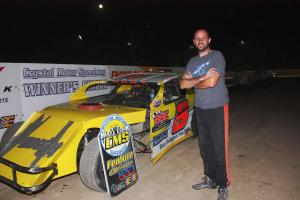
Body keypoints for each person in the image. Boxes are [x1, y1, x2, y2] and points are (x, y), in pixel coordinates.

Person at [180, 28, 230, 200]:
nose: (200, 41)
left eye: (203, 38)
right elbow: (182, 84)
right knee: (205, 148)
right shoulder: (192, 61)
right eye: (197, 39)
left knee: (219, 148)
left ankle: (223, 184)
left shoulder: (217, 56)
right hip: (200, 109)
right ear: (194, 42)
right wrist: (201, 78)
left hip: (217, 107)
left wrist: (193, 81)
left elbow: (212, 82)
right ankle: (211, 179)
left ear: (209, 40)